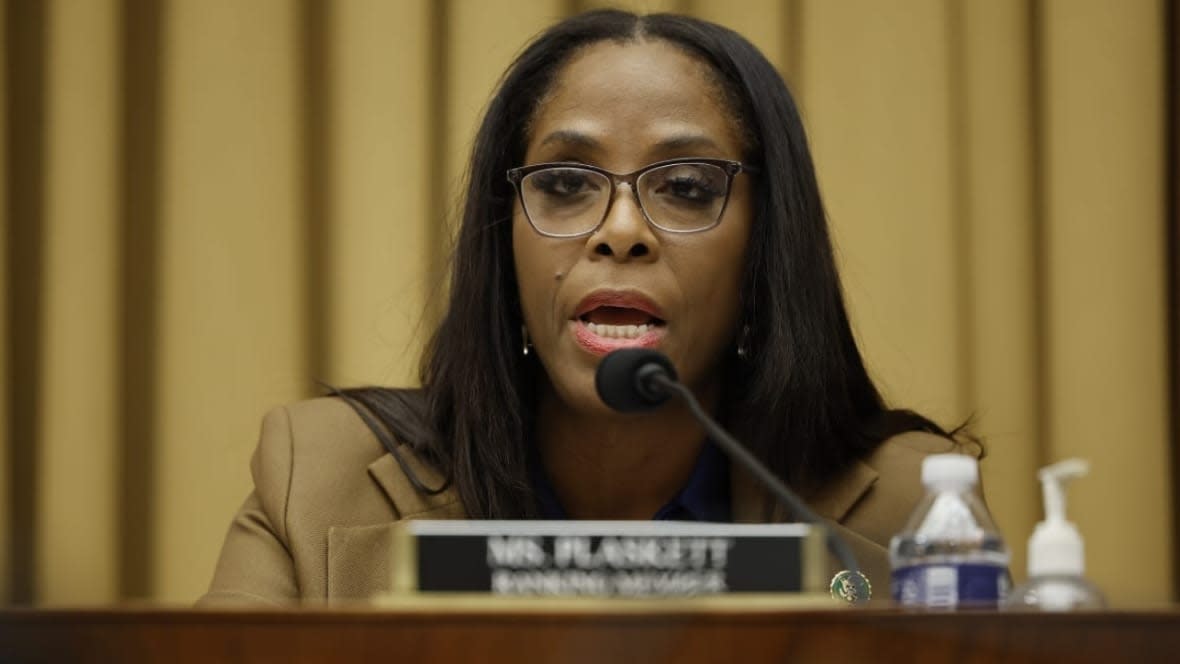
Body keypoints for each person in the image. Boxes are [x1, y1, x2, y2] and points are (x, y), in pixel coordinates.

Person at [199, 9, 971, 606]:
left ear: (767, 247)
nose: (621, 231)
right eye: (566, 185)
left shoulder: (911, 511)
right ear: (502, 239)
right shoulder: (318, 476)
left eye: (687, 187)